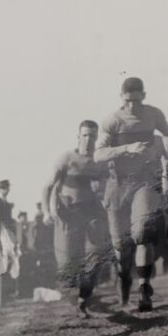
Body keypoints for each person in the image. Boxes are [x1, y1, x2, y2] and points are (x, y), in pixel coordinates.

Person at [95, 77, 168, 311]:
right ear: (122, 97)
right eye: (127, 100)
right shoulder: (113, 120)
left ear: (144, 95)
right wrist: (126, 148)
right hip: (118, 184)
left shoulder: (153, 114)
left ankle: (144, 288)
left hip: (144, 181)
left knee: (142, 232)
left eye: (136, 100)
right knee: (121, 247)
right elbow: (99, 154)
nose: (132, 105)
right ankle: (124, 286)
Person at [41, 120, 110, 317]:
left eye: (92, 136)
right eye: (85, 135)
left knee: (96, 256)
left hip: (92, 213)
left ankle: (83, 300)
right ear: (78, 136)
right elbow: (47, 187)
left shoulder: (99, 162)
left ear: (97, 138)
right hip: (69, 214)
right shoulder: (67, 159)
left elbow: (109, 185)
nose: (88, 140)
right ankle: (73, 298)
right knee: (68, 263)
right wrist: (47, 211)